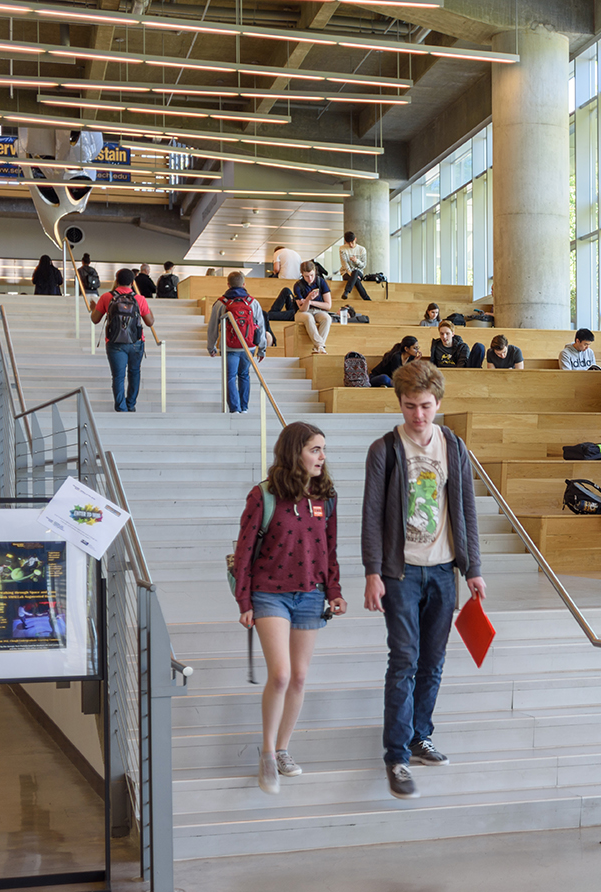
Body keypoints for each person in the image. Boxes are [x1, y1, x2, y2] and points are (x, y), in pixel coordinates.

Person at [362, 361, 487, 800]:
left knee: (433, 662)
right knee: (405, 660)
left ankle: (420, 736)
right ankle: (396, 755)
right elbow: (372, 516)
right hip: (400, 572)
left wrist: (472, 569)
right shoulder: (384, 450)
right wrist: (372, 572)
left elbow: (465, 510)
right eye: (411, 406)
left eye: (426, 406)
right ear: (399, 403)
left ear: (439, 404)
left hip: (443, 569)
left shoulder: (452, 446)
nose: (419, 415)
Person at [233, 422, 346, 793]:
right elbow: (245, 553)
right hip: (270, 594)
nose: (322, 457)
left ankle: (283, 748)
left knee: (299, 676)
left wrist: (335, 590)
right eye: (315, 449)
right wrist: (245, 600)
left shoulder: (325, 497)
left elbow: (329, 550)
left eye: (323, 450)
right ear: (295, 450)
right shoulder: (262, 496)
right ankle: (266, 752)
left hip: (311, 595)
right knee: (280, 674)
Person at [91, 268, 154, 412]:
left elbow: (95, 320)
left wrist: (94, 309)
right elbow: (150, 322)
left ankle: (121, 408)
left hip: (115, 343)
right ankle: (131, 404)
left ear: (116, 280)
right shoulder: (139, 299)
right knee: (134, 372)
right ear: (132, 282)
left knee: (118, 376)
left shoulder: (107, 297)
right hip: (136, 342)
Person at [206, 272, 268, 413]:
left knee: (230, 377)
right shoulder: (253, 302)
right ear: (244, 284)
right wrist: (262, 348)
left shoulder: (221, 303)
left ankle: (235, 409)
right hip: (249, 346)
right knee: (244, 375)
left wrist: (211, 347)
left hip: (229, 347)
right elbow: (261, 326)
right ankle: (244, 408)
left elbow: (212, 327)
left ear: (228, 285)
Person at [292, 260, 334, 354]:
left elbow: (328, 305)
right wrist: (307, 299)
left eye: (311, 275)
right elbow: (302, 309)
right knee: (309, 317)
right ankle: (320, 345)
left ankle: (317, 347)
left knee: (327, 318)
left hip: (318, 310)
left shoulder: (321, 281)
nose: (310, 278)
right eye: (306, 276)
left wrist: (311, 302)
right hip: (303, 312)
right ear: (302, 274)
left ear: (315, 271)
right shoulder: (298, 285)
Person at [338, 231, 372, 301]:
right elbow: (344, 264)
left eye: (352, 242)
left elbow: (363, 265)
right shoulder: (342, 249)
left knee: (356, 272)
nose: (351, 245)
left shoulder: (362, 249)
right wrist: (351, 274)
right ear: (345, 241)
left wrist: (356, 261)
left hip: (358, 272)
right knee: (355, 277)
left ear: (355, 239)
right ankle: (367, 299)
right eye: (348, 243)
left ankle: (346, 291)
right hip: (346, 272)